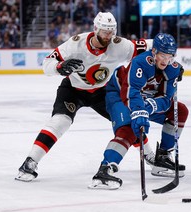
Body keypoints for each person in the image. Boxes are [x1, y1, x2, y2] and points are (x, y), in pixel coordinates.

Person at [15, 12, 154, 182]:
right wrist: (59, 67)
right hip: (73, 90)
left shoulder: (120, 45)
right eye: (104, 31)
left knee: (129, 121)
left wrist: (168, 52)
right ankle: (30, 162)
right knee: (60, 121)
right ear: (96, 29)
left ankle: (150, 155)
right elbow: (46, 64)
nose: (108, 36)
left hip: (103, 92)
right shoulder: (75, 44)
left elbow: (150, 46)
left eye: (111, 31)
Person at [89, 33, 189, 190]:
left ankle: (162, 157)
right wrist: (139, 111)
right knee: (129, 128)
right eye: (163, 55)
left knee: (180, 111)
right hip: (119, 93)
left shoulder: (173, 69)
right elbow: (131, 91)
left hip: (143, 100)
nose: (166, 60)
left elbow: (166, 99)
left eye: (170, 56)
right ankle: (105, 169)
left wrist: (147, 107)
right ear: (154, 51)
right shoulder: (141, 62)